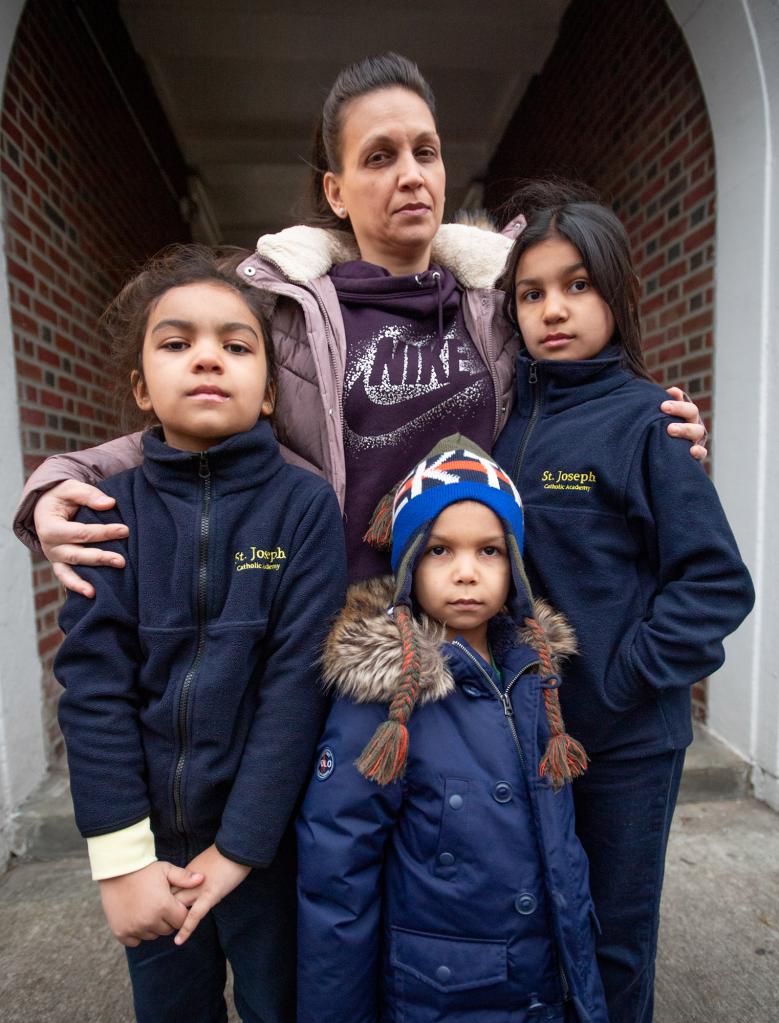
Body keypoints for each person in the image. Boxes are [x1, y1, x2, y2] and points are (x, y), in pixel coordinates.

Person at [12, 53, 706, 589]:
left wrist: (660, 430)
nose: (410, 174)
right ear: (335, 192)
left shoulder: (500, 301)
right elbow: (196, 421)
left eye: (424, 151)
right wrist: (55, 484)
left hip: (477, 627)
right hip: (333, 637)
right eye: (379, 156)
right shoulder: (287, 312)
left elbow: (581, 399)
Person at [53, 245, 347, 1023]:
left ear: (270, 393)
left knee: (277, 1005)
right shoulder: (105, 509)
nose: (208, 357)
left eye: (235, 343)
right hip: (150, 849)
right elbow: (92, 687)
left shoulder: (304, 506)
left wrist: (241, 848)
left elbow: (295, 687)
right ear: (141, 387)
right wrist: (120, 861)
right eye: (177, 342)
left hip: (267, 845)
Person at [490, 180, 755, 1023]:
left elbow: (714, 581)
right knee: (542, 926)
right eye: (531, 293)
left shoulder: (648, 423)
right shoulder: (505, 425)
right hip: (528, 737)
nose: (552, 309)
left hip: (626, 740)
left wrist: (623, 674)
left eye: (576, 284)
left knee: (613, 936)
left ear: (616, 292)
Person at [296, 436, 608, 1023]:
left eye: (489, 551)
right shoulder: (380, 695)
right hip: (442, 991)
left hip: (542, 970)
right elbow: (337, 871)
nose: (466, 573)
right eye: (440, 551)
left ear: (514, 564)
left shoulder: (535, 671)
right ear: (409, 563)